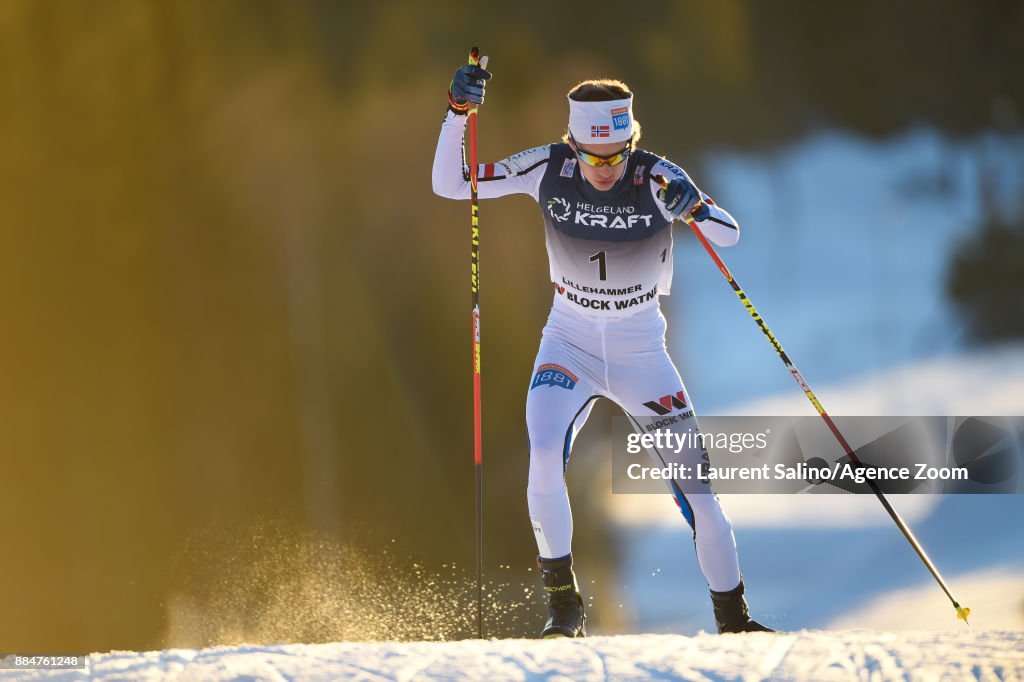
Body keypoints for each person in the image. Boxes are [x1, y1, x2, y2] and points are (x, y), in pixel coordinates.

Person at [432, 59, 772, 638]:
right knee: (543, 458)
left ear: (630, 141)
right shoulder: (545, 165)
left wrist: (694, 206)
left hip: (643, 355)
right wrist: (457, 114)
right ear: (572, 145)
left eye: (615, 155)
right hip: (569, 345)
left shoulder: (658, 176)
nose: (604, 169)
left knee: (701, 495)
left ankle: (734, 623)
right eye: (592, 157)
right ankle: (564, 610)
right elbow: (450, 183)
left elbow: (730, 234)